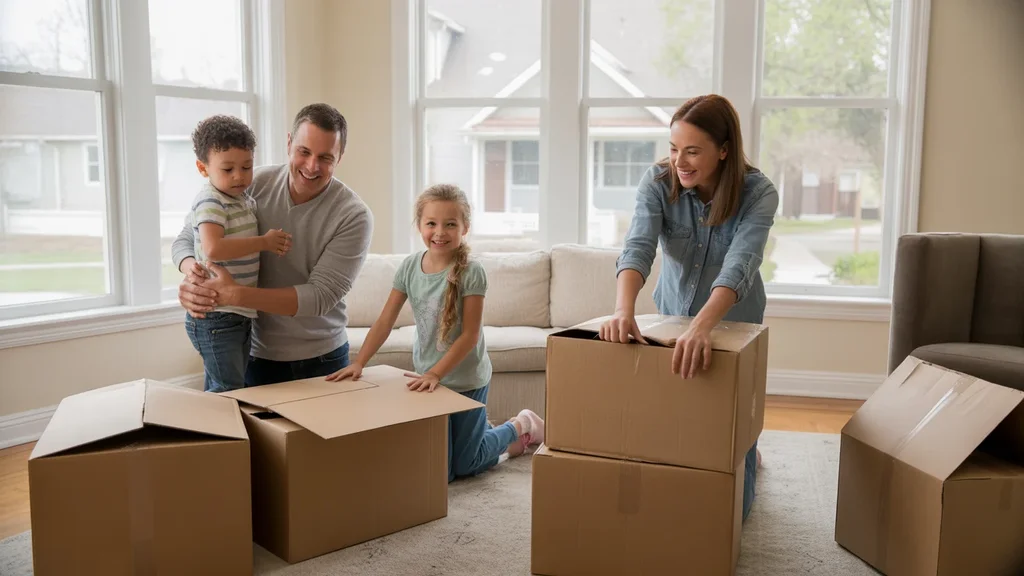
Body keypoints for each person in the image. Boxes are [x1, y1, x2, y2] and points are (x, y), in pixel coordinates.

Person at [598, 94, 779, 522]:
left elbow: (740, 265)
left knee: (732, 480)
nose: (680, 161)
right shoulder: (658, 182)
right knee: (675, 423)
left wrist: (702, 328)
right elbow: (638, 247)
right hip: (673, 316)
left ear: (723, 149)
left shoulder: (759, 193)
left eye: (693, 151)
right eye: (674, 148)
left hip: (733, 323)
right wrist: (624, 310)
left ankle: (748, 451)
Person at [326, 183, 545, 482]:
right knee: (443, 471)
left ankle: (519, 425)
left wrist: (436, 374)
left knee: (466, 465)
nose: (439, 232)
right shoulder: (409, 268)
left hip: (466, 379)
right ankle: (489, 436)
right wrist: (359, 362)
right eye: (431, 223)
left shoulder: (471, 271)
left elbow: (469, 336)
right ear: (419, 226)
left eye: (450, 224)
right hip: (429, 381)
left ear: (465, 227)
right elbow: (384, 321)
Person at [173, 103, 373, 385]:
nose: (312, 166)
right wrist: (192, 276)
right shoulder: (249, 184)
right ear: (289, 143)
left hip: (321, 359)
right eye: (304, 152)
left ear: (340, 156)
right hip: (252, 353)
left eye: (326, 157)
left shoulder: (354, 216)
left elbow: (319, 297)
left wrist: (233, 294)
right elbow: (187, 238)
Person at [182, 115, 292, 393]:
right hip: (217, 314)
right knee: (228, 390)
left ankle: (217, 434)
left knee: (228, 386)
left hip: (237, 312)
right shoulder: (211, 200)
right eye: (228, 169)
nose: (239, 176)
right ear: (202, 168)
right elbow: (212, 248)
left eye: (246, 166)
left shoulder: (242, 198)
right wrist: (264, 242)